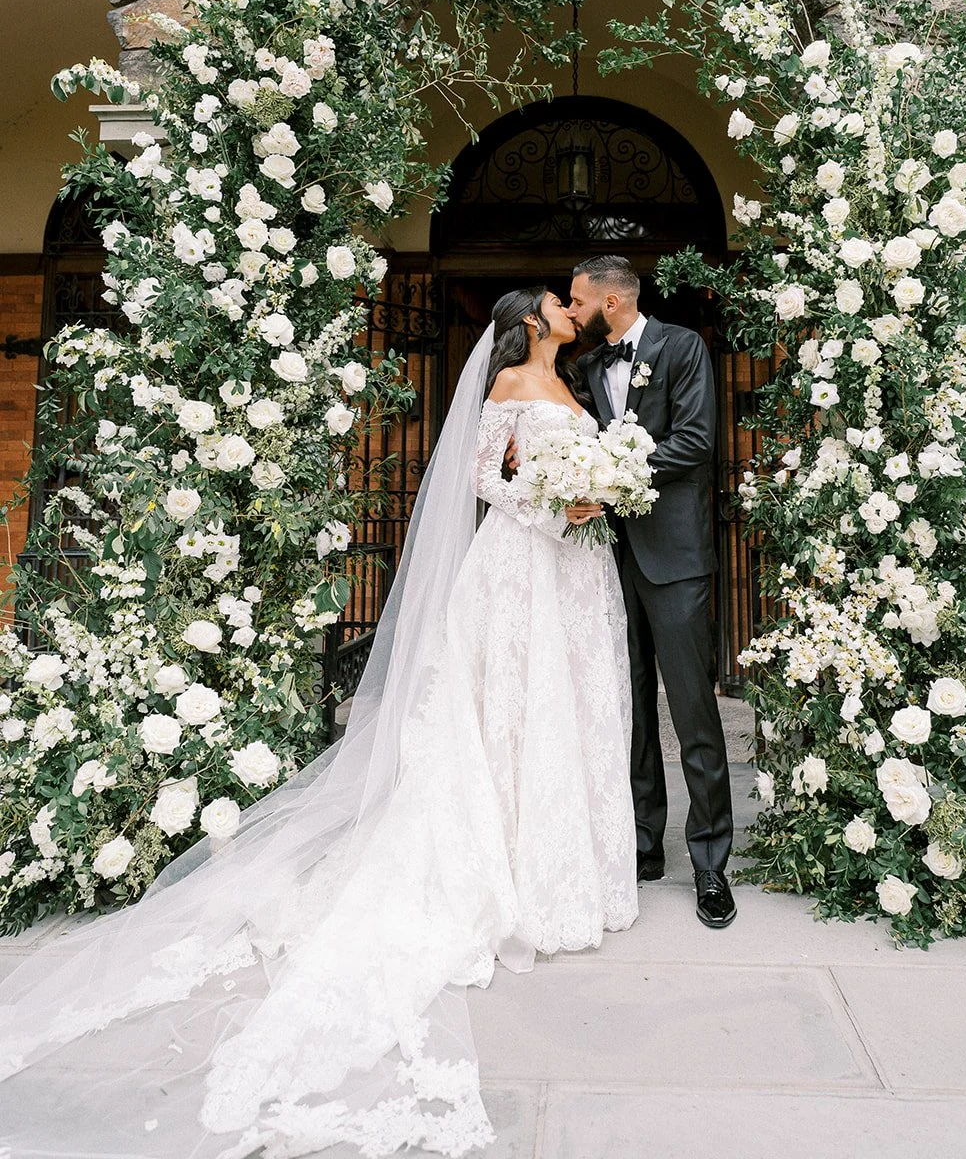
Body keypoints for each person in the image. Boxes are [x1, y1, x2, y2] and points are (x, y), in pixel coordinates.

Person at [0, 288, 637, 1159]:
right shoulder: (505, 390)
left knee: (562, 705)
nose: (569, 308)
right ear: (530, 322)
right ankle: (506, 859)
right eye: (556, 305)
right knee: (507, 708)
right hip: (521, 564)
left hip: (570, 567)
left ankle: (562, 859)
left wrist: (595, 494)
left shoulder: (572, 381)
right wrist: (553, 500)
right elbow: (488, 479)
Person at [567, 254, 736, 930]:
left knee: (692, 710)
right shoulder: (583, 368)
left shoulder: (681, 347)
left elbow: (694, 441)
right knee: (627, 707)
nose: (572, 311)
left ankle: (709, 863)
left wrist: (606, 478)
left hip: (675, 557)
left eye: (578, 301)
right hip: (607, 559)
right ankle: (642, 849)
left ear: (611, 302)